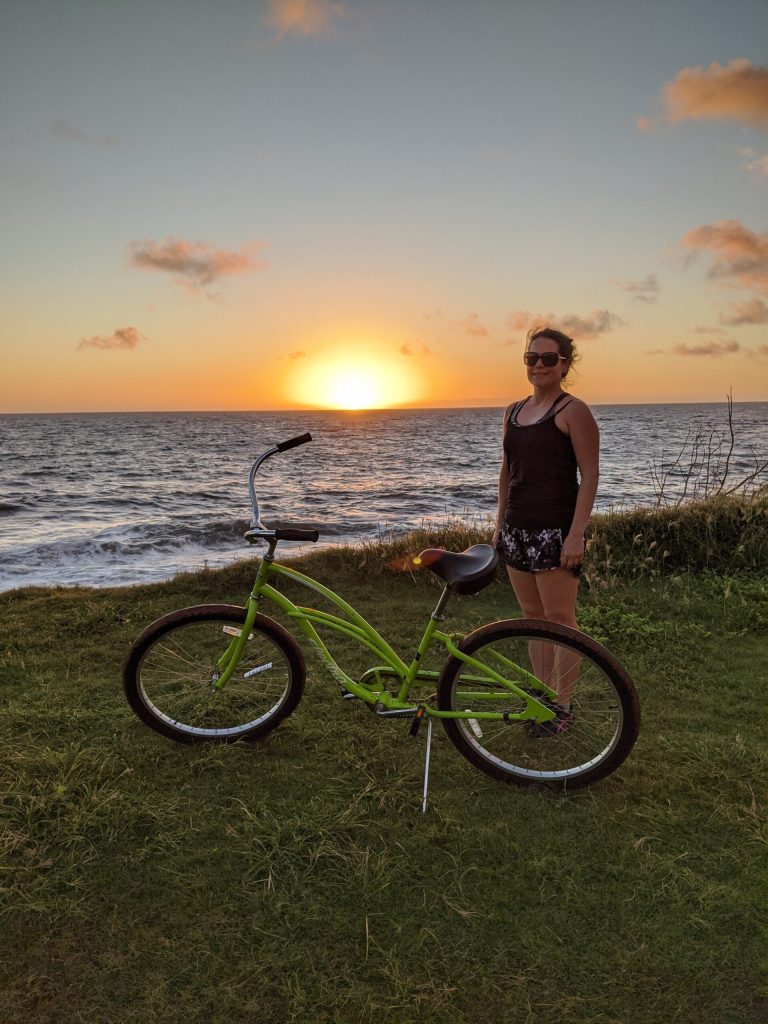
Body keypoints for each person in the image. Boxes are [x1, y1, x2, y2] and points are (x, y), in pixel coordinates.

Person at [491, 326, 599, 734]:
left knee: (560, 619)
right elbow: (507, 472)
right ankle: (541, 695)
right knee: (533, 617)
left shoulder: (573, 411)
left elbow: (590, 476)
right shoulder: (513, 411)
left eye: (548, 358)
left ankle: (562, 706)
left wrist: (576, 534)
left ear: (565, 365)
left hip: (555, 531)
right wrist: (499, 524)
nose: (539, 365)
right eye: (531, 358)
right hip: (517, 529)